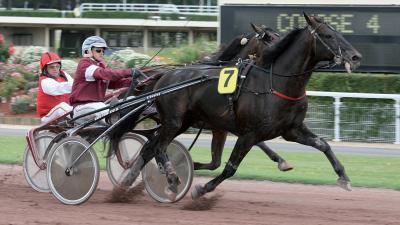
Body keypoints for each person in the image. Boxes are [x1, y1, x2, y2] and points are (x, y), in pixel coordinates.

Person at [69, 36, 138, 123]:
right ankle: (113, 123)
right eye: (98, 50)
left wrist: (131, 82)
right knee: (101, 107)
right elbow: (105, 74)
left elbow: (112, 83)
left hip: (96, 107)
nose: (102, 53)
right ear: (87, 51)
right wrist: (129, 71)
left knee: (132, 100)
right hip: (82, 108)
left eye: (103, 51)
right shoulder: (84, 64)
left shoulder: (100, 66)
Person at [37, 52, 73, 123]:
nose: (55, 69)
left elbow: (74, 84)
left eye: (57, 66)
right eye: (51, 67)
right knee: (62, 107)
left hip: (62, 113)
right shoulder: (44, 80)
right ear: (45, 69)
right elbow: (59, 88)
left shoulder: (64, 74)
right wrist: (78, 85)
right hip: (48, 116)